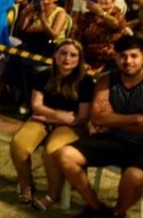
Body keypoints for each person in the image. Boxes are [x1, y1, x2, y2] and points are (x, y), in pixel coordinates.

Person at [57, 36, 143, 218]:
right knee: (66, 155)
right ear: (115, 57)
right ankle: (97, 208)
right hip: (113, 138)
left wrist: (112, 118)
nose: (128, 61)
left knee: (135, 177)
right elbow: (97, 117)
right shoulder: (107, 79)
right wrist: (136, 118)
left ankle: (118, 213)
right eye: (122, 56)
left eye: (134, 56)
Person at [8, 40, 93, 211]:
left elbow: (82, 118)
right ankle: (27, 184)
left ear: (79, 59)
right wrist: (58, 116)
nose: (67, 58)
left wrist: (49, 117)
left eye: (73, 55)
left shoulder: (86, 82)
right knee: (18, 144)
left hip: (68, 125)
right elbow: (36, 105)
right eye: (63, 53)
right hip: (50, 120)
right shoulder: (43, 75)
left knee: (51, 151)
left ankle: (54, 193)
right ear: (55, 54)